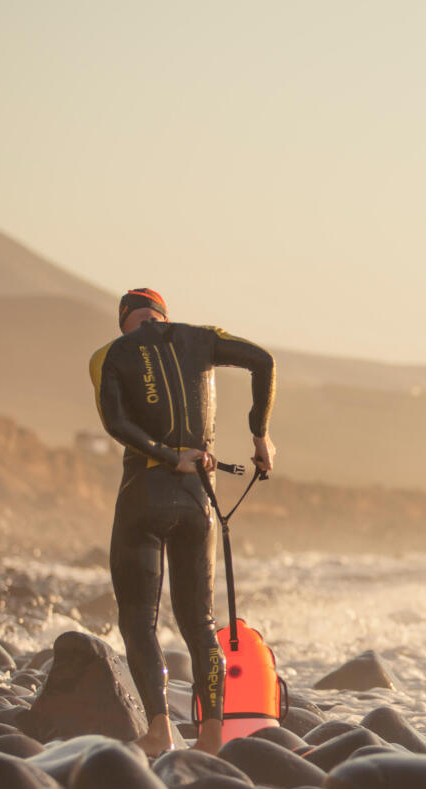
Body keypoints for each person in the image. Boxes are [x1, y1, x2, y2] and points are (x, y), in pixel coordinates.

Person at [88, 287, 276, 755]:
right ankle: (211, 737)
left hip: (144, 497)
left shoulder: (109, 355)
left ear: (126, 319)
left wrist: (169, 456)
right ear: (162, 315)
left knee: (138, 622)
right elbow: (264, 361)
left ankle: (159, 732)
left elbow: (115, 422)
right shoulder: (201, 338)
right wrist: (260, 437)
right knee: (201, 622)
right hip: (199, 503)